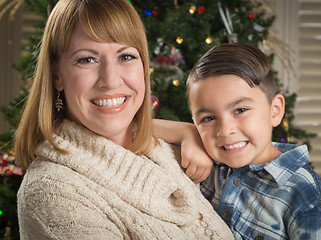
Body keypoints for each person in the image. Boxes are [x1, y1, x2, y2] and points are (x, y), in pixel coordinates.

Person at [14, 0, 235, 239]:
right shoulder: (53, 192)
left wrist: (187, 131)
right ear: (57, 75)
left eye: (126, 56)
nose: (110, 80)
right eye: (87, 59)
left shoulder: (166, 152)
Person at [156, 43, 321, 240]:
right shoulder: (203, 156)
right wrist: (186, 132)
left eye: (240, 110)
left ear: (274, 110)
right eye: (208, 118)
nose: (225, 130)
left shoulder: (305, 193)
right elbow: (132, 128)